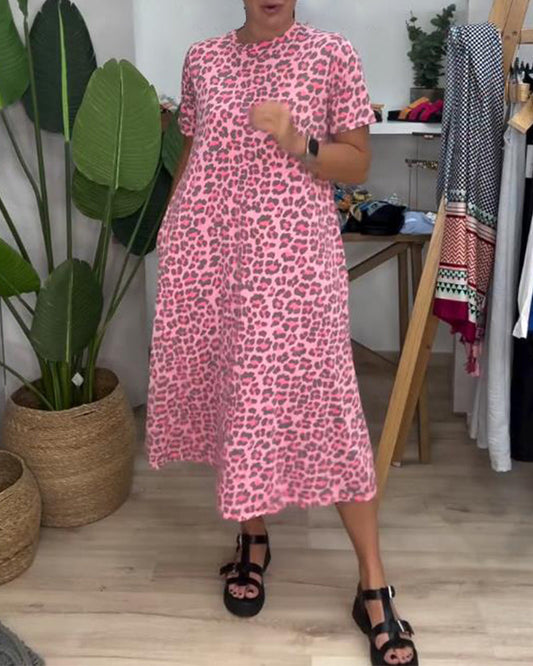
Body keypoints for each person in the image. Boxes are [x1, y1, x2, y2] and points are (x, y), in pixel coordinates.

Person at [146, 1, 418, 664]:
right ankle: (254, 536)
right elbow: (193, 153)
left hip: (295, 264)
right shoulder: (203, 60)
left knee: (329, 408)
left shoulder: (330, 54)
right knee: (235, 394)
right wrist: (171, 228)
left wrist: (298, 141)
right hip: (211, 256)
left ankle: (372, 582)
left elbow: (357, 163)